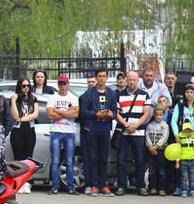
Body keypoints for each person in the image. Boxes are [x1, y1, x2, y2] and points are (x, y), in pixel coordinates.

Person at [80, 67, 118, 197]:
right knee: (93, 158)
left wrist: (111, 114)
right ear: (96, 78)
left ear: (107, 78)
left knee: (103, 158)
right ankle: (94, 185)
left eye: (104, 76)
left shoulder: (112, 93)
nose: (101, 79)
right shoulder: (89, 93)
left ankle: (104, 185)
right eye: (99, 76)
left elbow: (115, 111)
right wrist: (96, 114)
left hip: (105, 128)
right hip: (93, 128)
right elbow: (83, 112)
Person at [114, 71, 151, 196]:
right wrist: (126, 125)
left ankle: (140, 186)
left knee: (140, 161)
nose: (131, 82)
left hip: (138, 132)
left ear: (137, 81)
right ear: (126, 80)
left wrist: (135, 126)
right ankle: (121, 186)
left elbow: (146, 113)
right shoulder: (119, 95)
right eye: (129, 79)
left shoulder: (144, 95)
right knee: (121, 161)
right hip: (124, 133)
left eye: (134, 80)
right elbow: (116, 113)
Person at [46, 76, 80, 195]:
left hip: (69, 132)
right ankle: (55, 186)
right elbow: (50, 115)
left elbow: (75, 114)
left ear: (68, 84)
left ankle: (71, 187)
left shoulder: (73, 98)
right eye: (60, 84)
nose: (63, 86)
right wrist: (67, 112)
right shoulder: (52, 97)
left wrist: (58, 111)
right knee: (55, 161)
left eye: (64, 84)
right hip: (56, 131)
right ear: (58, 85)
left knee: (69, 160)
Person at [10, 78, 38, 161]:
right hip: (17, 132)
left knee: (28, 159)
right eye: (23, 86)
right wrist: (13, 100)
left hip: (30, 131)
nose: (26, 87)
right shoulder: (15, 99)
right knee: (18, 159)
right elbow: (15, 116)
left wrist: (20, 119)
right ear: (19, 86)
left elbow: (35, 115)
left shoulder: (33, 98)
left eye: (28, 85)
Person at [145, 104, 169, 196]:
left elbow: (164, 137)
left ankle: (162, 188)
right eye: (156, 114)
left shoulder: (165, 126)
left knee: (162, 170)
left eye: (160, 115)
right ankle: (152, 187)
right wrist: (150, 146)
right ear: (154, 115)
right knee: (152, 170)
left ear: (163, 115)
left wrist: (156, 146)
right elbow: (147, 136)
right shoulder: (150, 125)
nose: (158, 116)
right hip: (151, 151)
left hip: (161, 151)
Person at [176, 122, 194, 198]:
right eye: (186, 131)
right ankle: (184, 191)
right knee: (184, 177)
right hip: (183, 161)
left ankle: (192, 191)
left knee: (192, 177)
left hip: (192, 160)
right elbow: (177, 151)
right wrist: (177, 162)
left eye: (190, 131)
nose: (188, 133)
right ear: (183, 132)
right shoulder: (180, 139)